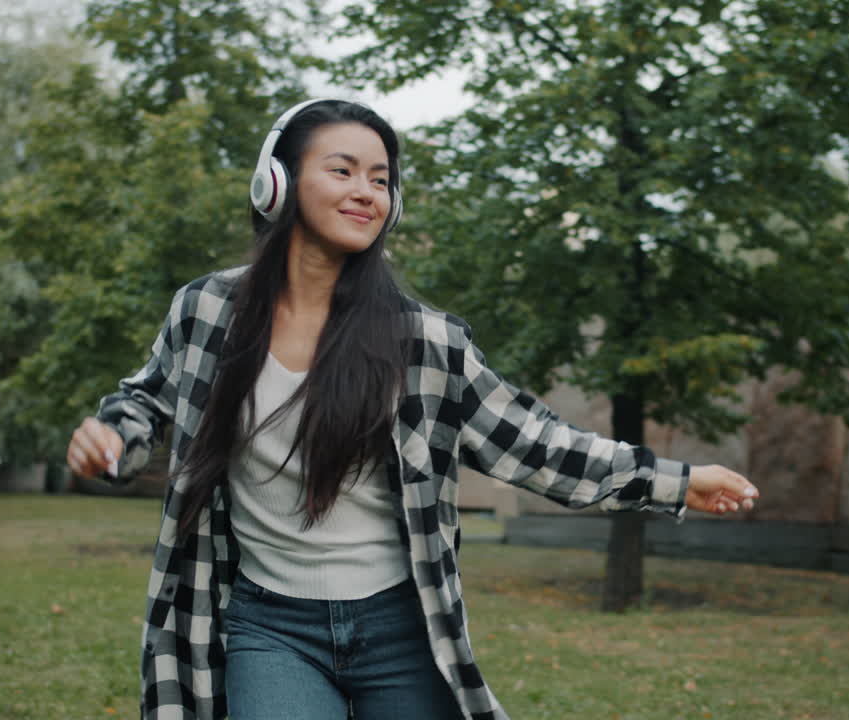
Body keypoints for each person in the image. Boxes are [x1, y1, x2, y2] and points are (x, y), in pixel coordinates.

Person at [66, 98, 759, 720]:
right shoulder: (208, 311)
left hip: (402, 627)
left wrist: (674, 482)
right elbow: (146, 399)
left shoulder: (423, 340)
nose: (366, 191)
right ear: (275, 183)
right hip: (267, 625)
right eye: (343, 170)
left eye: (380, 179)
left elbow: (534, 443)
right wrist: (112, 438)